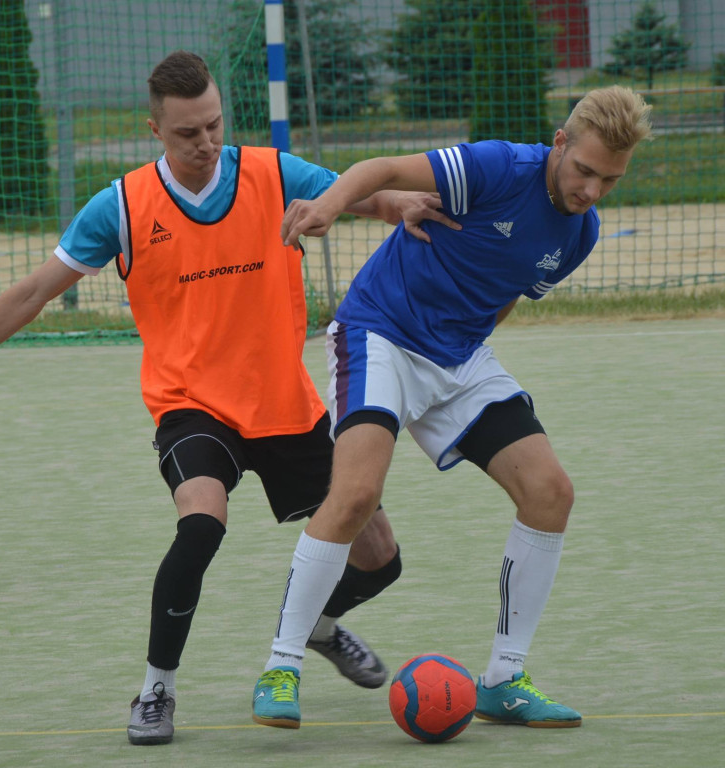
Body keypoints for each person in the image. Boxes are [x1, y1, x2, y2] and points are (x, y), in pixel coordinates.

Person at [0, 51, 458, 745]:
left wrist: (399, 203)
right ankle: (157, 689)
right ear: (155, 127)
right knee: (201, 524)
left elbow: (364, 195)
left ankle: (320, 628)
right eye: (188, 132)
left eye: (213, 125)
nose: (206, 142)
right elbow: (32, 293)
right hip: (192, 404)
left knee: (380, 557)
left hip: (284, 403)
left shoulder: (274, 174)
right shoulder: (121, 206)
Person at [251, 85, 653, 730]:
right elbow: (380, 173)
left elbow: (509, 291)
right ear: (560, 143)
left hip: (459, 357)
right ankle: (281, 665)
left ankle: (503, 680)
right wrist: (328, 205)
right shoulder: (496, 167)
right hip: (380, 332)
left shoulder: (581, 233)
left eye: (611, 179)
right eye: (585, 170)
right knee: (355, 497)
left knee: (551, 491)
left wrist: (462, 355)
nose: (593, 190)